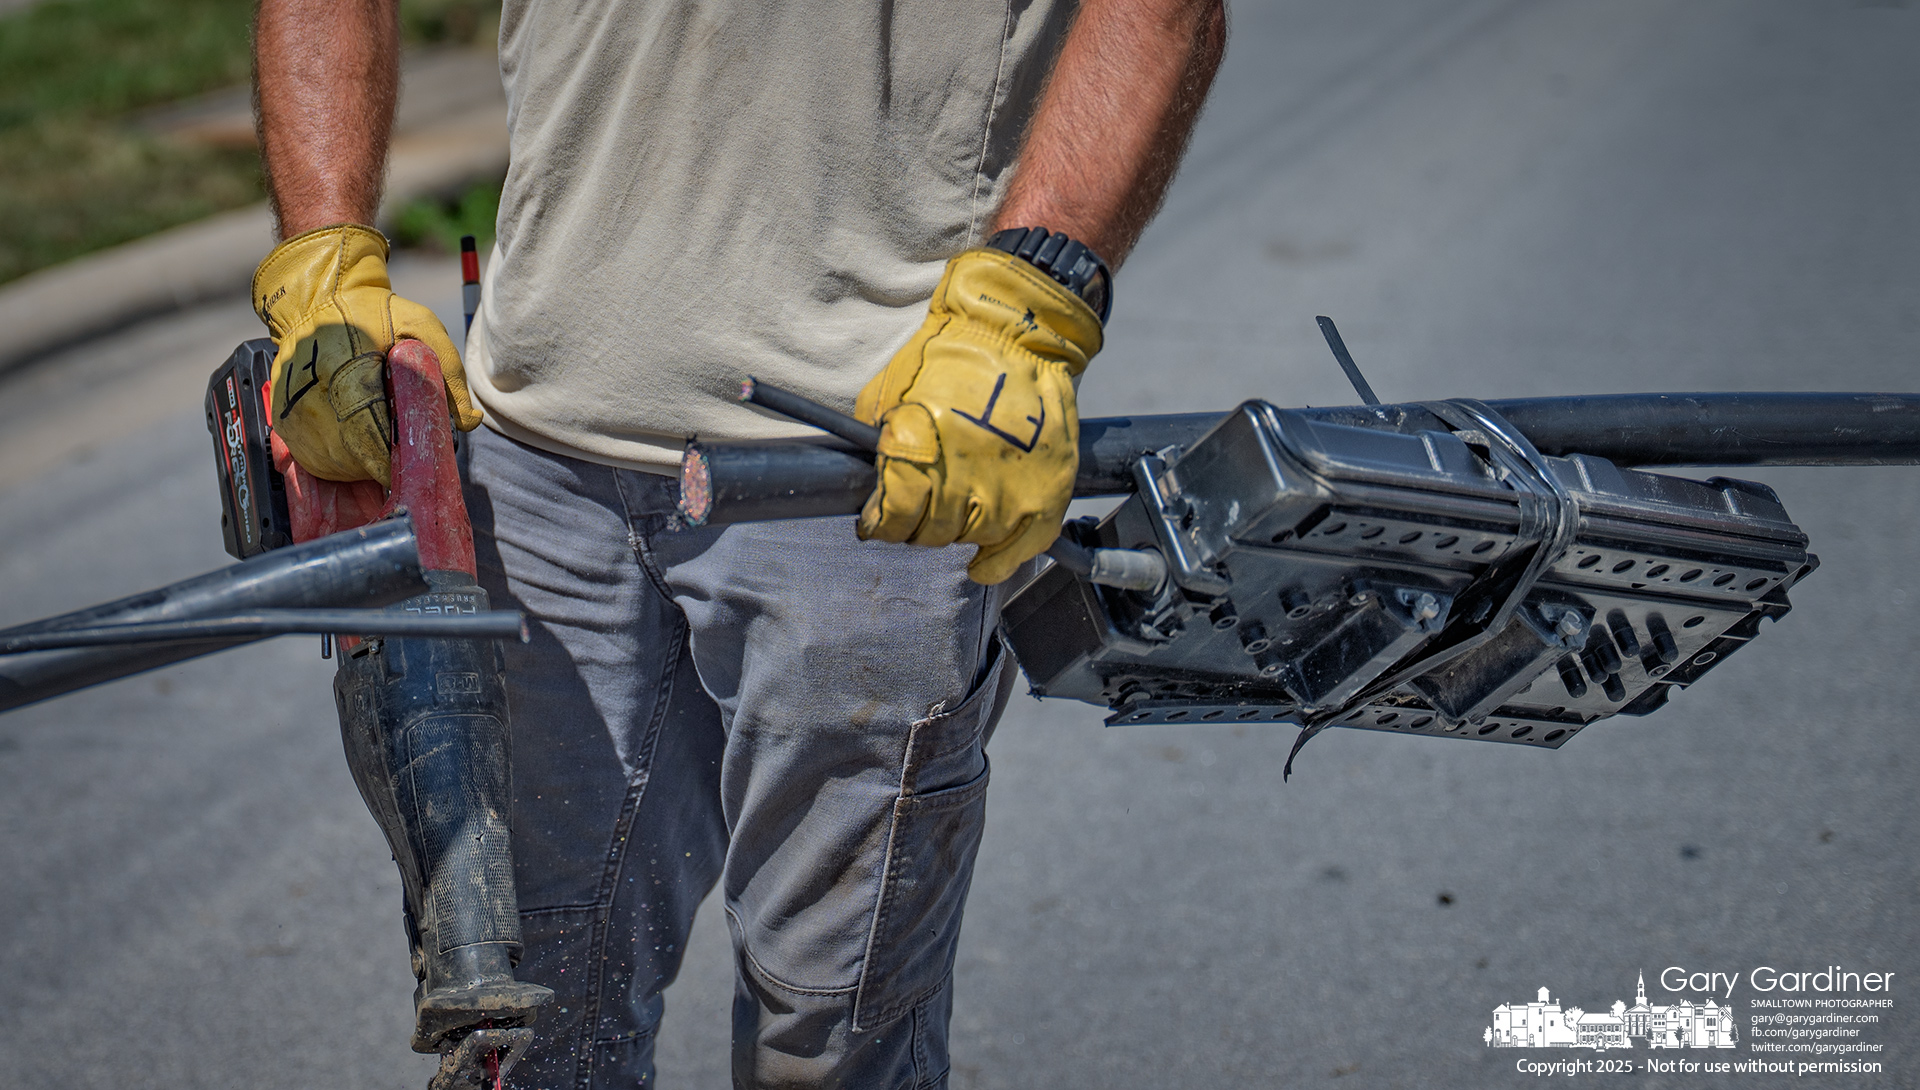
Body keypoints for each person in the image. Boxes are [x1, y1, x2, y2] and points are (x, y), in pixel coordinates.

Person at [250, 0, 1226, 1084]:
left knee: (832, 1043)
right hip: (536, 455)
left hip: (866, 466)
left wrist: (1034, 294)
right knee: (520, 1036)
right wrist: (324, 261)